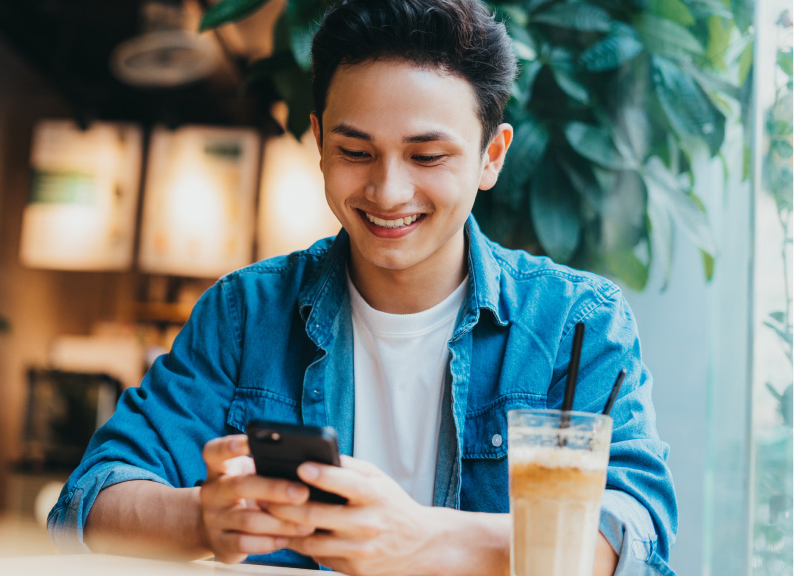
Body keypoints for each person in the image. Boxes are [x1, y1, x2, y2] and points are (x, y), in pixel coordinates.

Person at [48, 1, 678, 574]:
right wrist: (203, 518)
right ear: (319, 142)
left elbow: (633, 542)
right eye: (356, 151)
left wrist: (420, 539)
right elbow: (88, 505)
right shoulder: (246, 313)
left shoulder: (579, 322)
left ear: (492, 156)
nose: (388, 192)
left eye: (427, 157)